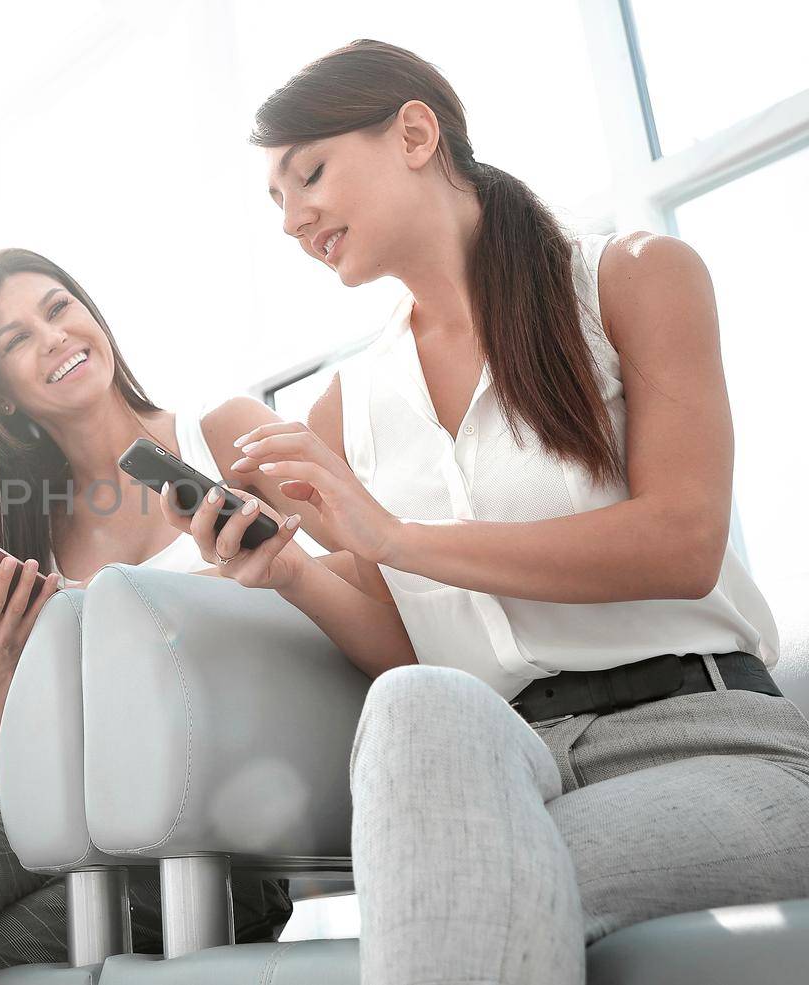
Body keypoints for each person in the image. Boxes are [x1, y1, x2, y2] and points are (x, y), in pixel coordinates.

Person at [166, 39, 801, 985]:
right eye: (276, 201)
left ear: (415, 132)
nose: (294, 218)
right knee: (418, 699)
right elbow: (406, 641)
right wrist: (294, 571)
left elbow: (683, 541)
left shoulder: (632, 276)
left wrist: (393, 535)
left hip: (710, 744)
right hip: (500, 759)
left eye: (310, 174)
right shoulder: (350, 405)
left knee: (446, 888)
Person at [0, 249, 306, 985]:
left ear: (92, 318)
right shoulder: (30, 537)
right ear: (2, 395)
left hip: (220, 835)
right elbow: (16, 786)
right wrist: (2, 657)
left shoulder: (222, 433)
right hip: (81, 833)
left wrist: (230, 578)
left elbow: (350, 590)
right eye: (15, 340)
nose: (51, 337)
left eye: (58, 308)